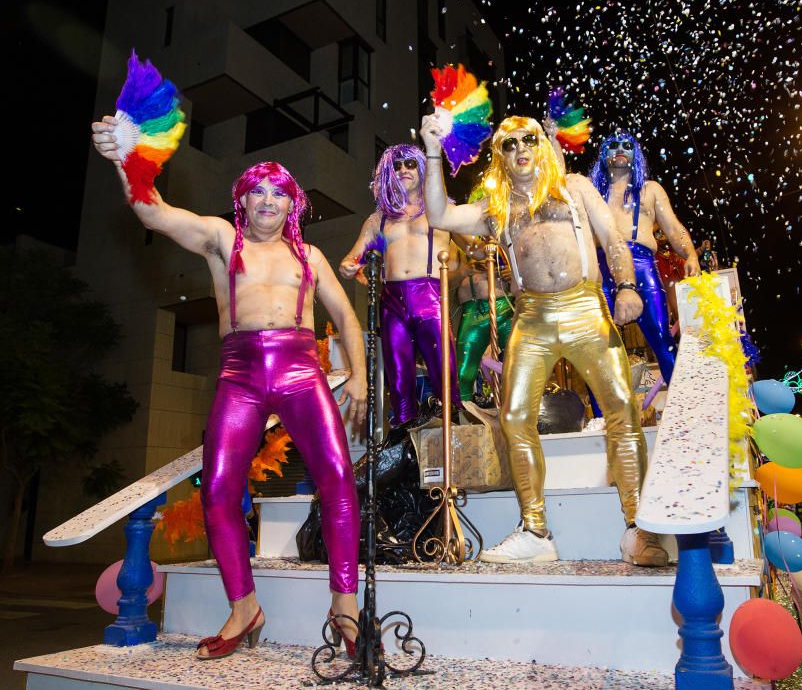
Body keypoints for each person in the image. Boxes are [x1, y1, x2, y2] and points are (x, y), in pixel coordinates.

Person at [92, 118, 365, 659]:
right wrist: (129, 162)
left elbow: (347, 317)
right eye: (258, 191)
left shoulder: (308, 257)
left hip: (300, 370)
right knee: (217, 490)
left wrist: (356, 372)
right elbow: (155, 213)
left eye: (279, 193)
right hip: (239, 373)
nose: (268, 201)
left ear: (293, 205)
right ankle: (245, 608)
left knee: (336, 478)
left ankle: (345, 609)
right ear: (243, 200)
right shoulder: (223, 239)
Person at [420, 113, 668, 566]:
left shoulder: (575, 187)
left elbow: (611, 238)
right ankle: (535, 530)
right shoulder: (497, 207)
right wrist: (432, 147)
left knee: (622, 407)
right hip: (532, 317)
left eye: (528, 140)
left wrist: (628, 285)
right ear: (501, 155)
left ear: (541, 144)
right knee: (514, 417)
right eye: (510, 144)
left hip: (586, 309)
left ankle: (637, 529)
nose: (521, 150)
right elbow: (440, 214)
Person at [340, 145, 461, 427]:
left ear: (422, 167)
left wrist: (484, 248)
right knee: (397, 372)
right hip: (392, 300)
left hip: (430, 295)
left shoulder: (442, 211)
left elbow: (476, 246)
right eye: (397, 166)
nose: (403, 170)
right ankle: (403, 434)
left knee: (444, 367)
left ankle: (454, 426)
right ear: (388, 174)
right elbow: (353, 257)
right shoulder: (378, 219)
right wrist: (349, 265)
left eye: (409, 164)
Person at [587, 131, 699, 388]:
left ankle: (684, 407)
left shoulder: (650, 190)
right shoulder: (591, 193)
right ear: (603, 154)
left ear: (635, 154)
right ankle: (603, 419)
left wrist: (690, 253)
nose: (620, 149)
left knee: (662, 338)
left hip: (641, 265)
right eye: (612, 145)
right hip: (602, 266)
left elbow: (673, 228)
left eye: (627, 145)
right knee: (597, 348)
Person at [453, 236, 514, 401]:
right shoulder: (455, 239)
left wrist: (512, 271)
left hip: (503, 307)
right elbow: (448, 276)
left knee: (518, 366)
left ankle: (521, 413)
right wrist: (462, 270)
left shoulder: (504, 233)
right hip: (471, 311)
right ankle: (461, 415)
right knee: (462, 372)